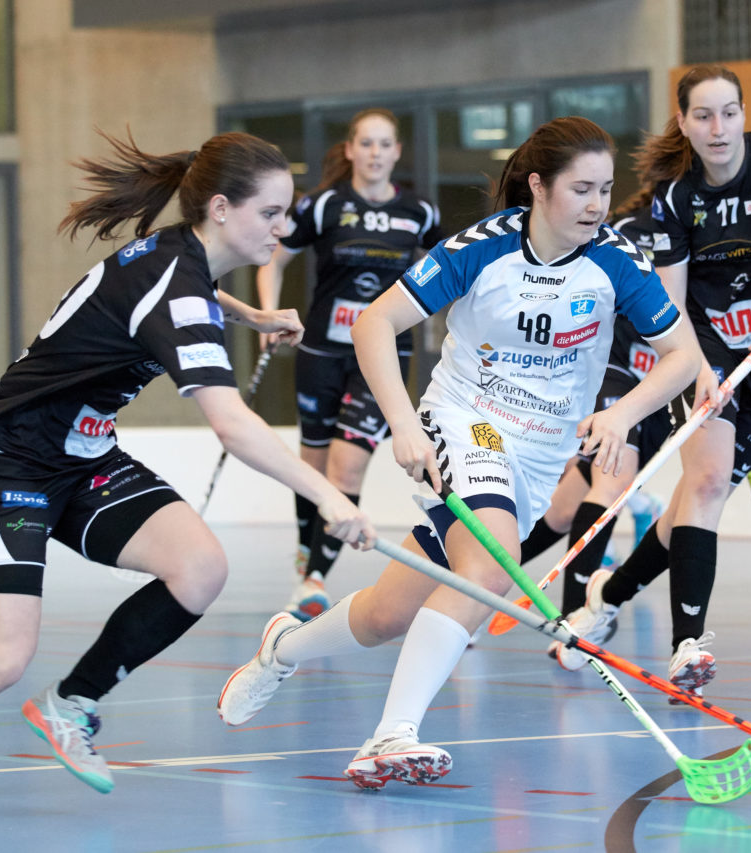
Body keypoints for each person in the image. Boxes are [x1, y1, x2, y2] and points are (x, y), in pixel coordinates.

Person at [0, 129, 374, 825]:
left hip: (85, 458)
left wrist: (250, 312)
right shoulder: (176, 286)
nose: (283, 228)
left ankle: (71, 703)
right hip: (8, 458)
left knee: (199, 567)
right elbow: (231, 424)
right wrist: (328, 496)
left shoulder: (182, 259)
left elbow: (169, 292)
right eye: (271, 213)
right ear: (223, 209)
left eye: (287, 212)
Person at [218, 115, 700, 788]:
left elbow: (682, 356)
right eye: (582, 189)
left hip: (539, 455)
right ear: (538, 185)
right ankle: (392, 734)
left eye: (604, 189)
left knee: (390, 611)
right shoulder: (483, 247)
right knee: (492, 563)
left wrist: (623, 412)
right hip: (467, 420)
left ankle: (282, 650)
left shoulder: (617, 260)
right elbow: (375, 322)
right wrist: (404, 425)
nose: (596, 204)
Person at [556, 65, 751, 690]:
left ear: (743, 112)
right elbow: (670, 311)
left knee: (691, 505)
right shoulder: (674, 198)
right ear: (683, 122)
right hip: (708, 357)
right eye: (702, 115)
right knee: (704, 485)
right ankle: (688, 648)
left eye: (729, 112)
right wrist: (701, 373)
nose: (718, 127)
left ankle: (604, 599)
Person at [255, 108, 441, 622]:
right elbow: (274, 256)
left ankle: (313, 580)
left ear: (397, 152)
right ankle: (308, 557)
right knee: (312, 467)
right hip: (321, 353)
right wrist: (270, 314)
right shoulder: (324, 205)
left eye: (386, 144)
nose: (377, 153)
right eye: (367, 144)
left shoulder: (419, 214)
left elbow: (448, 274)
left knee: (348, 465)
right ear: (352, 151)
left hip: (381, 358)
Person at [515, 202, 681, 661]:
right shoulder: (628, 230)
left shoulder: (701, 229)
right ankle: (575, 621)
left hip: (659, 384)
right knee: (611, 481)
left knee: (567, 508)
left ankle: (473, 582)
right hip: (616, 370)